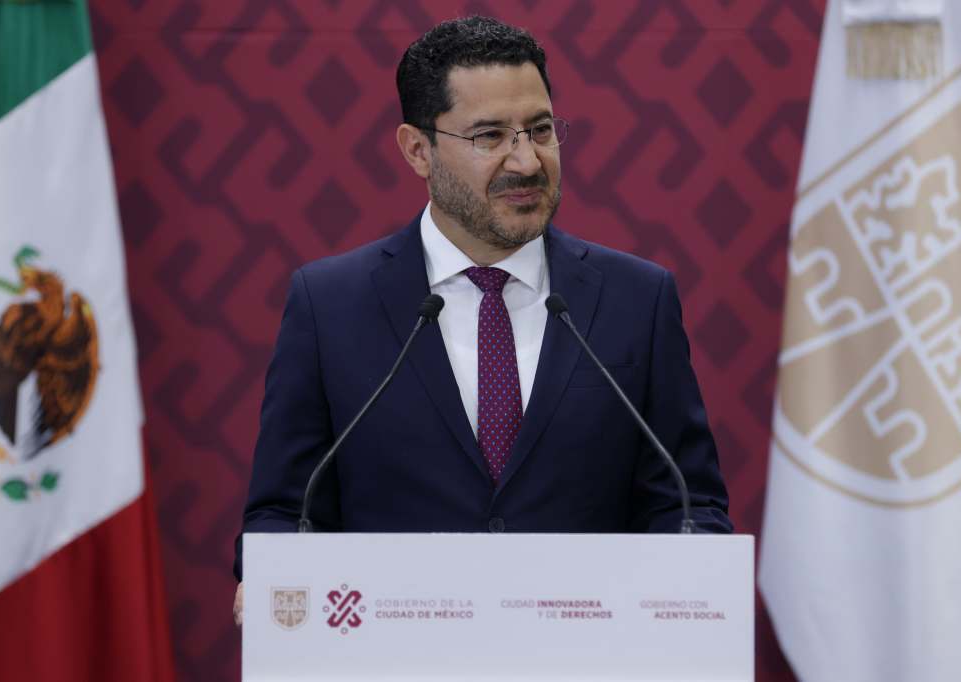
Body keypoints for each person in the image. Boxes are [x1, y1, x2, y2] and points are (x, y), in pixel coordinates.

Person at [233, 15, 731, 624]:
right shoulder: (330, 305)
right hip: (396, 654)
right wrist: (272, 576)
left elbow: (688, 505)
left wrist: (686, 589)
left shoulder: (637, 299)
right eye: (490, 136)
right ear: (418, 150)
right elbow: (287, 511)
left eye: (540, 130)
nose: (526, 161)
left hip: (586, 652)